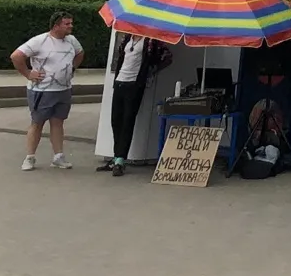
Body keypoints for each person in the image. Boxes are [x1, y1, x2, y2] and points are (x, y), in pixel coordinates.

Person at [11, 12, 84, 170]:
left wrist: (72, 68)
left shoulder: (71, 40)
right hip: (42, 90)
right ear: (56, 26)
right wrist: (28, 73)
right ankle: (30, 157)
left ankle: (58, 156)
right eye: (67, 24)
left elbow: (80, 53)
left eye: (71, 23)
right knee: (37, 123)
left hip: (63, 89)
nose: (71, 26)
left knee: (58, 122)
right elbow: (16, 56)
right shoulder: (40, 41)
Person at [98, 31, 171, 176]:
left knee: (128, 120)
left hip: (134, 84)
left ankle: (120, 159)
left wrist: (149, 71)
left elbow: (167, 56)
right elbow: (121, 57)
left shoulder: (150, 41)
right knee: (116, 120)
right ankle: (116, 155)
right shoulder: (127, 38)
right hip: (120, 81)